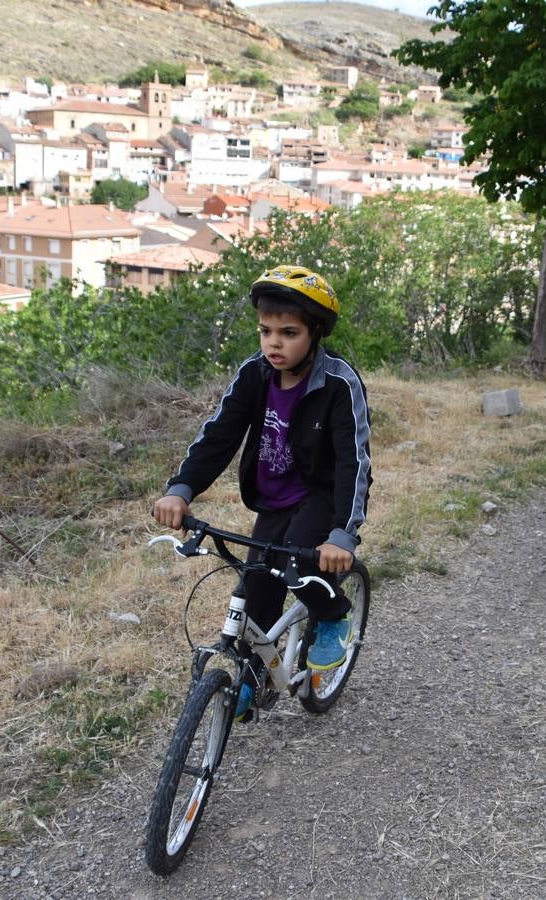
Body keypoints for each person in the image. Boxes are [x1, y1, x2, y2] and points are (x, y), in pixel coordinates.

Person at [152, 265, 372, 721]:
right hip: (272, 499)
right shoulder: (254, 375)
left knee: (298, 559)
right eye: (266, 331)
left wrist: (342, 536)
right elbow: (219, 435)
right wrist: (182, 488)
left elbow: (355, 463)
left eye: (289, 333)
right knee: (257, 591)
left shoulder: (338, 385)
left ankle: (332, 616)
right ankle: (252, 678)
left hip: (319, 498)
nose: (274, 343)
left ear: (315, 333)